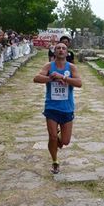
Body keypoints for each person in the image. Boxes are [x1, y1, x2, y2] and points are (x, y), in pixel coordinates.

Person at [33, 42, 82, 174]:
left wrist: (63, 78)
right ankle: (55, 161)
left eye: (63, 48)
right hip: (52, 107)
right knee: (53, 137)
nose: (61, 50)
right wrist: (51, 79)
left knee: (65, 142)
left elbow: (79, 83)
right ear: (54, 52)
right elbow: (36, 78)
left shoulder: (71, 67)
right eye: (58, 48)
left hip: (67, 108)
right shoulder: (49, 66)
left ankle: (57, 139)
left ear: (67, 52)